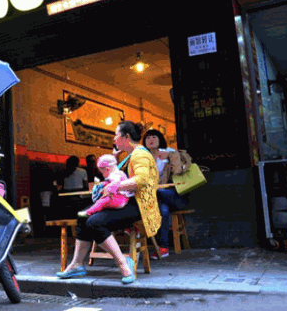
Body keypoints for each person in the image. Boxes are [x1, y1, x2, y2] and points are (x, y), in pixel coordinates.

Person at [55, 121, 161, 284]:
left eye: (116, 135)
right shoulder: (131, 154)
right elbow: (117, 175)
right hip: (125, 201)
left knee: (94, 222)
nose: (114, 139)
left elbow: (142, 179)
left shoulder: (140, 155)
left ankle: (124, 264)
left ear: (125, 137)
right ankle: (76, 264)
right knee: (83, 216)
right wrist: (115, 158)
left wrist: (114, 186)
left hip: (137, 205)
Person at [142, 129, 189, 259]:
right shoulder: (144, 157)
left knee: (158, 192)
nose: (150, 140)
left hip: (175, 196)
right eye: (147, 138)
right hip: (158, 199)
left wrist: (169, 157)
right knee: (163, 210)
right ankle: (163, 247)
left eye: (154, 137)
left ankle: (160, 245)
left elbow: (178, 172)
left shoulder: (170, 152)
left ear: (160, 139)